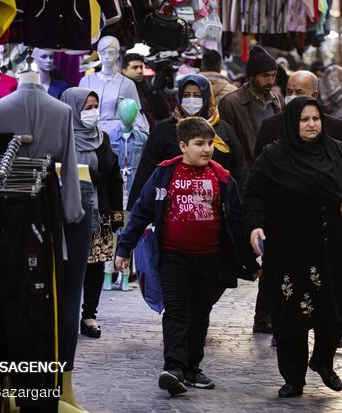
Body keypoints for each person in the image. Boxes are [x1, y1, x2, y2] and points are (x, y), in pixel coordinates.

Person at [115, 117, 260, 396]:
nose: (207, 150)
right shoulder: (164, 174)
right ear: (182, 146)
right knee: (178, 312)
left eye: (210, 144)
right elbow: (142, 210)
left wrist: (250, 263)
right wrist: (124, 248)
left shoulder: (222, 178)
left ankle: (193, 368)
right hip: (173, 257)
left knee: (200, 314)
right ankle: (174, 368)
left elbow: (237, 223)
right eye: (199, 144)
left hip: (209, 259)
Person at [244, 97, 342, 398]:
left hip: (331, 247)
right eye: (304, 119)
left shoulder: (339, 152)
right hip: (289, 249)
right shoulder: (273, 157)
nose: (312, 124)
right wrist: (255, 224)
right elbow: (254, 196)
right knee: (290, 316)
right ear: (292, 122)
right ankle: (293, 378)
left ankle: (322, 361)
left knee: (336, 311)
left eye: (316, 118)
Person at [128, 74, 249, 211]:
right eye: (186, 95)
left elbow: (240, 169)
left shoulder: (222, 129)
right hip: (172, 209)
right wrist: (138, 211)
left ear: (206, 96)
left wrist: (241, 207)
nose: (191, 100)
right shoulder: (165, 129)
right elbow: (147, 170)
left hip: (218, 209)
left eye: (197, 95)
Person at [60, 87, 123, 339]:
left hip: (100, 213)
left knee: (96, 265)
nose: (92, 112)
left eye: (95, 106)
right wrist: (88, 176)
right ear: (73, 110)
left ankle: (89, 315)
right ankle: (66, 314)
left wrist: (117, 215)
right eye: (86, 108)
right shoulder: (63, 138)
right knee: (69, 265)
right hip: (70, 212)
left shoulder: (103, 138)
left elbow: (114, 176)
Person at [254, 70, 342, 158]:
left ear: (314, 95)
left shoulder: (334, 127)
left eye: (299, 92)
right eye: (289, 92)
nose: (292, 96)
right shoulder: (271, 125)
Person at [219, 45, 283, 166]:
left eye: (273, 75)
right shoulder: (230, 103)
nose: (270, 81)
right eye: (265, 76)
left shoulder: (275, 100)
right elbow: (227, 147)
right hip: (247, 173)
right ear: (252, 76)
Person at [79, 36, 149, 135]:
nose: (107, 56)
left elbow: (137, 114)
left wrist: (138, 136)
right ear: (98, 53)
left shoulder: (127, 83)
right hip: (90, 135)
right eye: (103, 52)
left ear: (117, 54)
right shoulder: (86, 81)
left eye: (111, 52)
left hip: (117, 136)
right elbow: (78, 111)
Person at [121, 53, 170, 129]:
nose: (140, 71)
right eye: (135, 68)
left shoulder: (144, 88)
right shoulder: (121, 92)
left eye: (141, 67)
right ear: (124, 70)